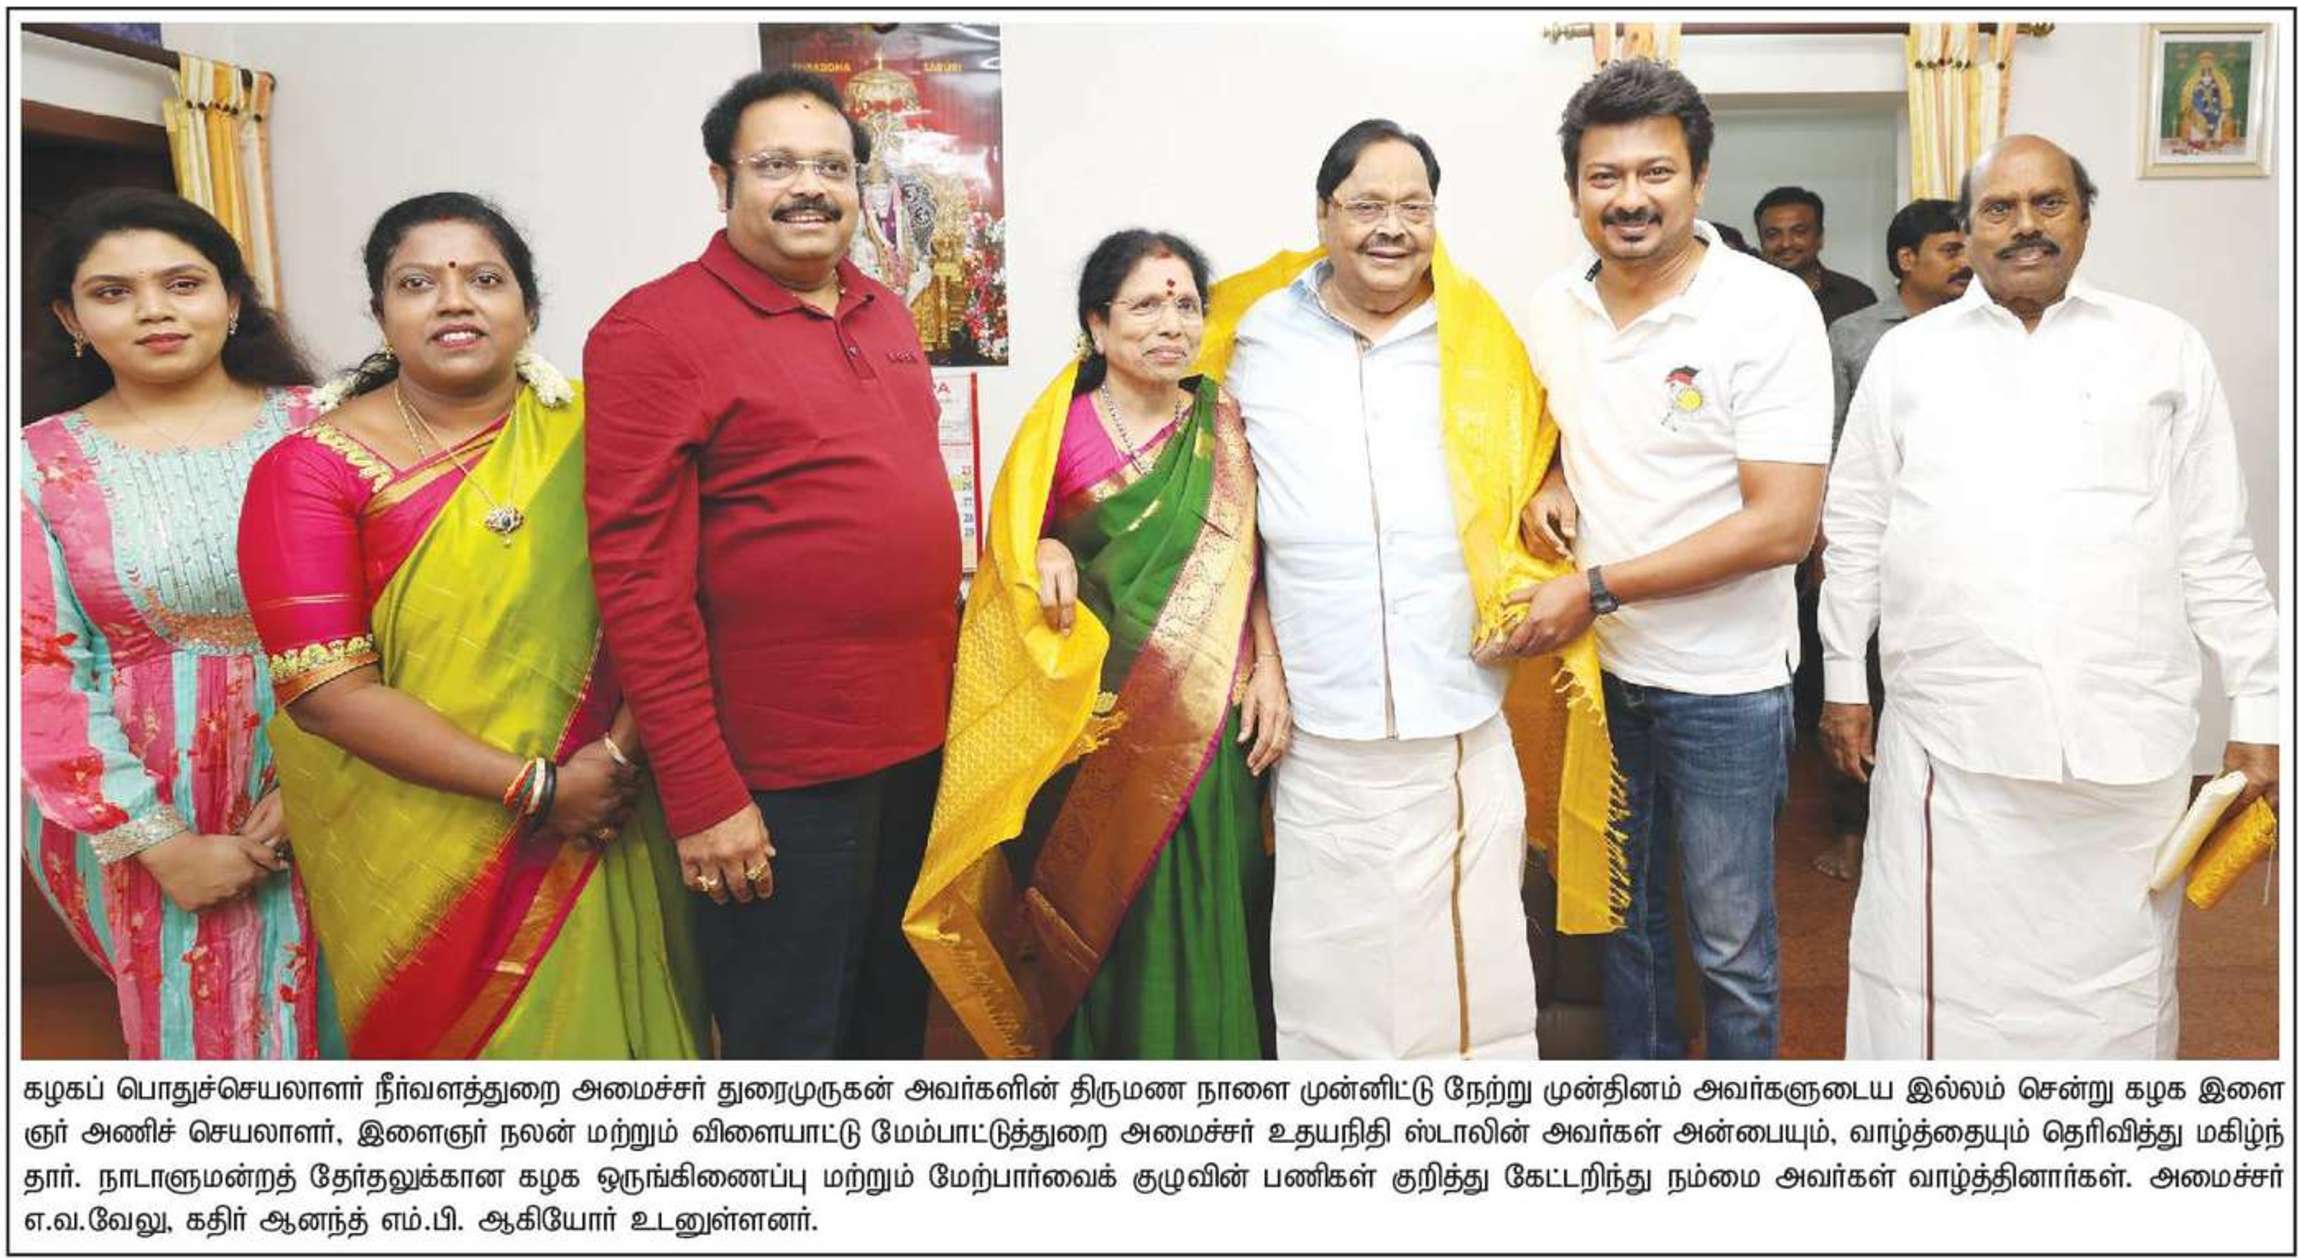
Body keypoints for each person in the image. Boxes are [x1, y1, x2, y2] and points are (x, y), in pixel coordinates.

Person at [1819, 135, 2280, 1059]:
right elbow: (1856, 528)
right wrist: (1842, 682)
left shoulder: (2163, 349)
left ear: (2085, 218)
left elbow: (2215, 545)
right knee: (1934, 989)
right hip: (1953, 745)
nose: (2025, 225)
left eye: (2049, 203)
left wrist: (2261, 705)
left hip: (2124, 743)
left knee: (2117, 989)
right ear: (1968, 230)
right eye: (1999, 208)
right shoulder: (1908, 359)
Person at [239, 193, 704, 1059]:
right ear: (381, 314)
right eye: (418, 283)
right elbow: (327, 693)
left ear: (529, 306)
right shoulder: (308, 472)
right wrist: (541, 790)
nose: (454, 301)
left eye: (484, 279)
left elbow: (685, 599)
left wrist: (613, 758)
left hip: (615, 799)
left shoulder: (609, 430)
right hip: (422, 837)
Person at [1203, 119, 1623, 1061]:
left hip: (1457, 713)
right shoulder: (1251, 335)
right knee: (1325, 971)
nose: (1391, 227)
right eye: (1366, 205)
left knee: (1472, 975)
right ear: (1323, 215)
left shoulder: (1483, 335)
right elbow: (1218, 512)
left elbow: (1552, 435)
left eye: (1414, 206)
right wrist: (1261, 656)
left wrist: (1553, 479)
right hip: (1320, 721)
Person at [584, 70, 960, 1059]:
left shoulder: (883, 311)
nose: (809, 188)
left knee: (890, 1025)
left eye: (831, 167)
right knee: (792, 1045)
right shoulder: (651, 330)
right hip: (777, 775)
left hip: (914, 750)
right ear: (722, 181)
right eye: (777, 165)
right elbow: (638, 584)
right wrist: (704, 793)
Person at [1515, 61, 1833, 1060]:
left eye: (1656, 172)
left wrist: (1597, 588)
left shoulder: (1766, 307)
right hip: (1599, 678)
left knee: (1729, 941)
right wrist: (1549, 478)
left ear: (1699, 179)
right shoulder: (1552, 308)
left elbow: (1782, 525)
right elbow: (1551, 435)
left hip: (1726, 684)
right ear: (1574, 190)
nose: (1630, 198)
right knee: (1626, 924)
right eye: (1604, 177)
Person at [907, 230, 1289, 1059]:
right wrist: (1043, 547)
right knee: (1103, 918)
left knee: (1215, 906)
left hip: (1212, 721)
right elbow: (1008, 566)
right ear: (1098, 323)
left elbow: (1258, 562)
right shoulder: (1059, 431)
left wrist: (1270, 670)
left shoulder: (1227, 425)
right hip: (1091, 731)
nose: (1171, 324)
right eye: (1146, 304)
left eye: (1186, 304)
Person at [20, 188, 338, 1060]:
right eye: (113, 292)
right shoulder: (36, 465)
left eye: (182, 283)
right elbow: (37, 670)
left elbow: (404, 613)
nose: (153, 310)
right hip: (143, 807)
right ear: (70, 318)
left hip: (351, 772)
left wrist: (317, 784)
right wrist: (165, 846)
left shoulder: (330, 426)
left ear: (233, 299)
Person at [1802, 198, 1970, 880]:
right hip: (1871, 537)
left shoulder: (1988, 328)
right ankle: (1852, 830)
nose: (1965, 261)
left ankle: (1940, 833)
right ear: (1907, 259)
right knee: (1856, 682)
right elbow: (1826, 441)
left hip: (1954, 548)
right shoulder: (1854, 334)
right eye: (1950, 249)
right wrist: (1823, 542)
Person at [1754, 185, 1877, 325]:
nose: (1786, 244)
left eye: (1799, 232)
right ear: (1761, 241)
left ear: (1820, 237)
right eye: (1773, 235)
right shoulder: (1742, 297)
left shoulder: (1856, 297)